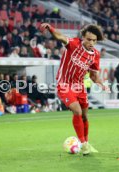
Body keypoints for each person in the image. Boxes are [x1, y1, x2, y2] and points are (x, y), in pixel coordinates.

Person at [40, 23, 109, 155]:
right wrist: (50, 28)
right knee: (76, 111)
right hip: (64, 84)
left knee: (84, 116)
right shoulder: (73, 43)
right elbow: (60, 36)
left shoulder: (95, 55)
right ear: (83, 37)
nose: (91, 43)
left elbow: (94, 76)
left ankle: (86, 143)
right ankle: (83, 145)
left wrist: (102, 84)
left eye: (94, 40)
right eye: (89, 39)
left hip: (80, 86)